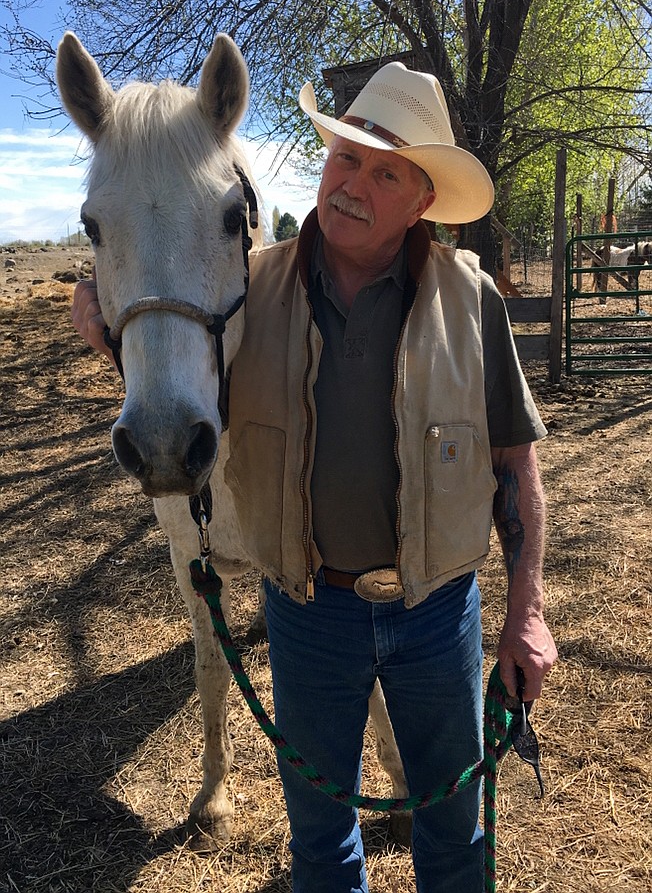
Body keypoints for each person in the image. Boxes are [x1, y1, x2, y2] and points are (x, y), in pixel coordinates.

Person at [72, 61, 557, 893]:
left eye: (386, 171)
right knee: (321, 848)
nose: (352, 184)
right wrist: (107, 322)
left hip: (437, 611)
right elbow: (171, 293)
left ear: (422, 201)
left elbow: (518, 465)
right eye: (345, 159)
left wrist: (528, 611)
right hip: (308, 610)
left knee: (452, 838)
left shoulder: (472, 301)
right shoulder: (254, 292)